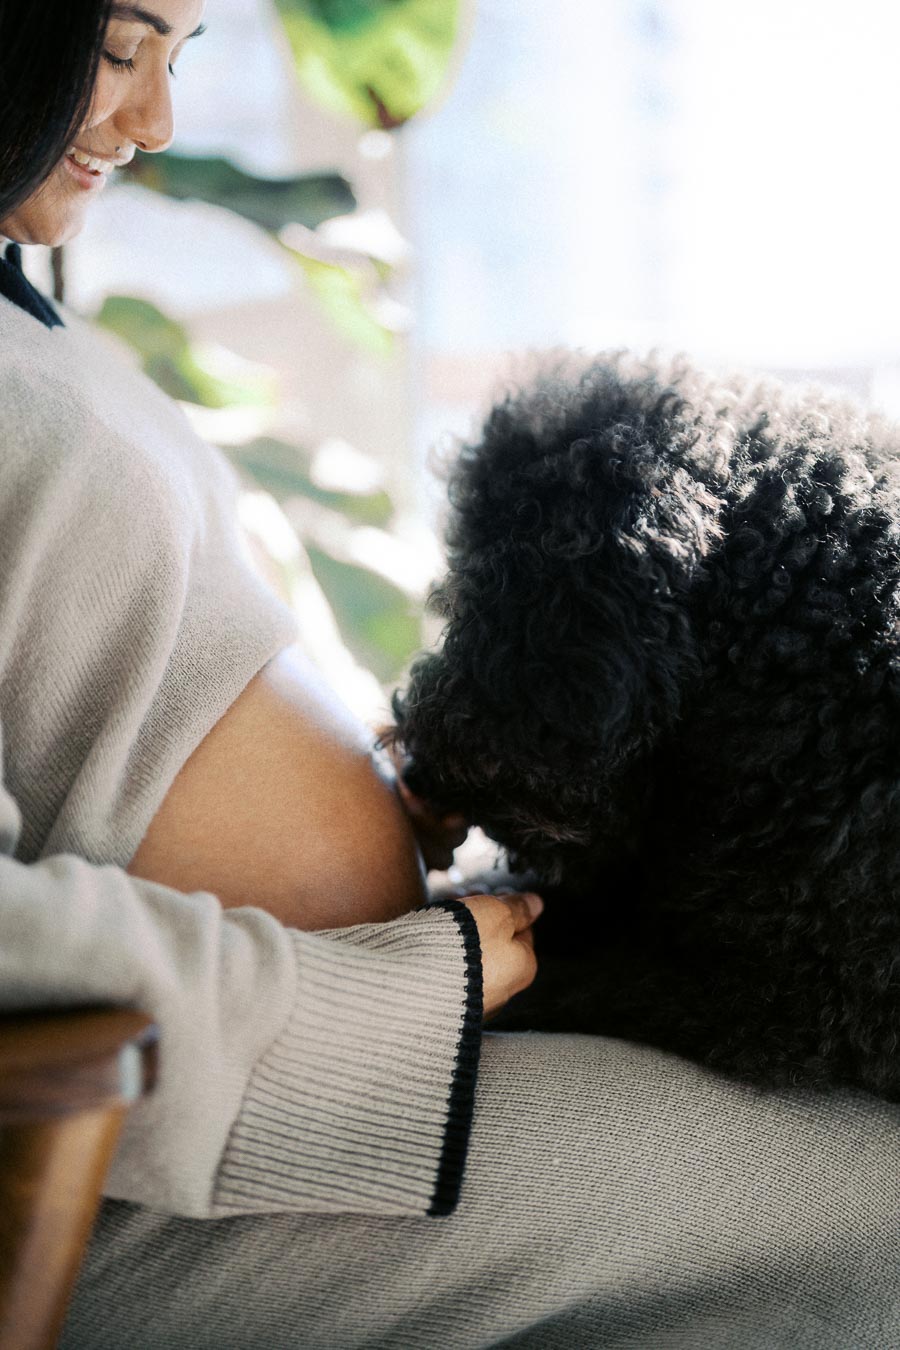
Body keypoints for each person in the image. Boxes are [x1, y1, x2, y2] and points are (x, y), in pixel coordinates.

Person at [0, 4, 898, 1346]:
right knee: (876, 1204)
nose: (158, 122)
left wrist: (398, 805)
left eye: (181, 58)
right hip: (122, 1171)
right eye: (122, 49)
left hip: (269, 1086)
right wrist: (385, 998)